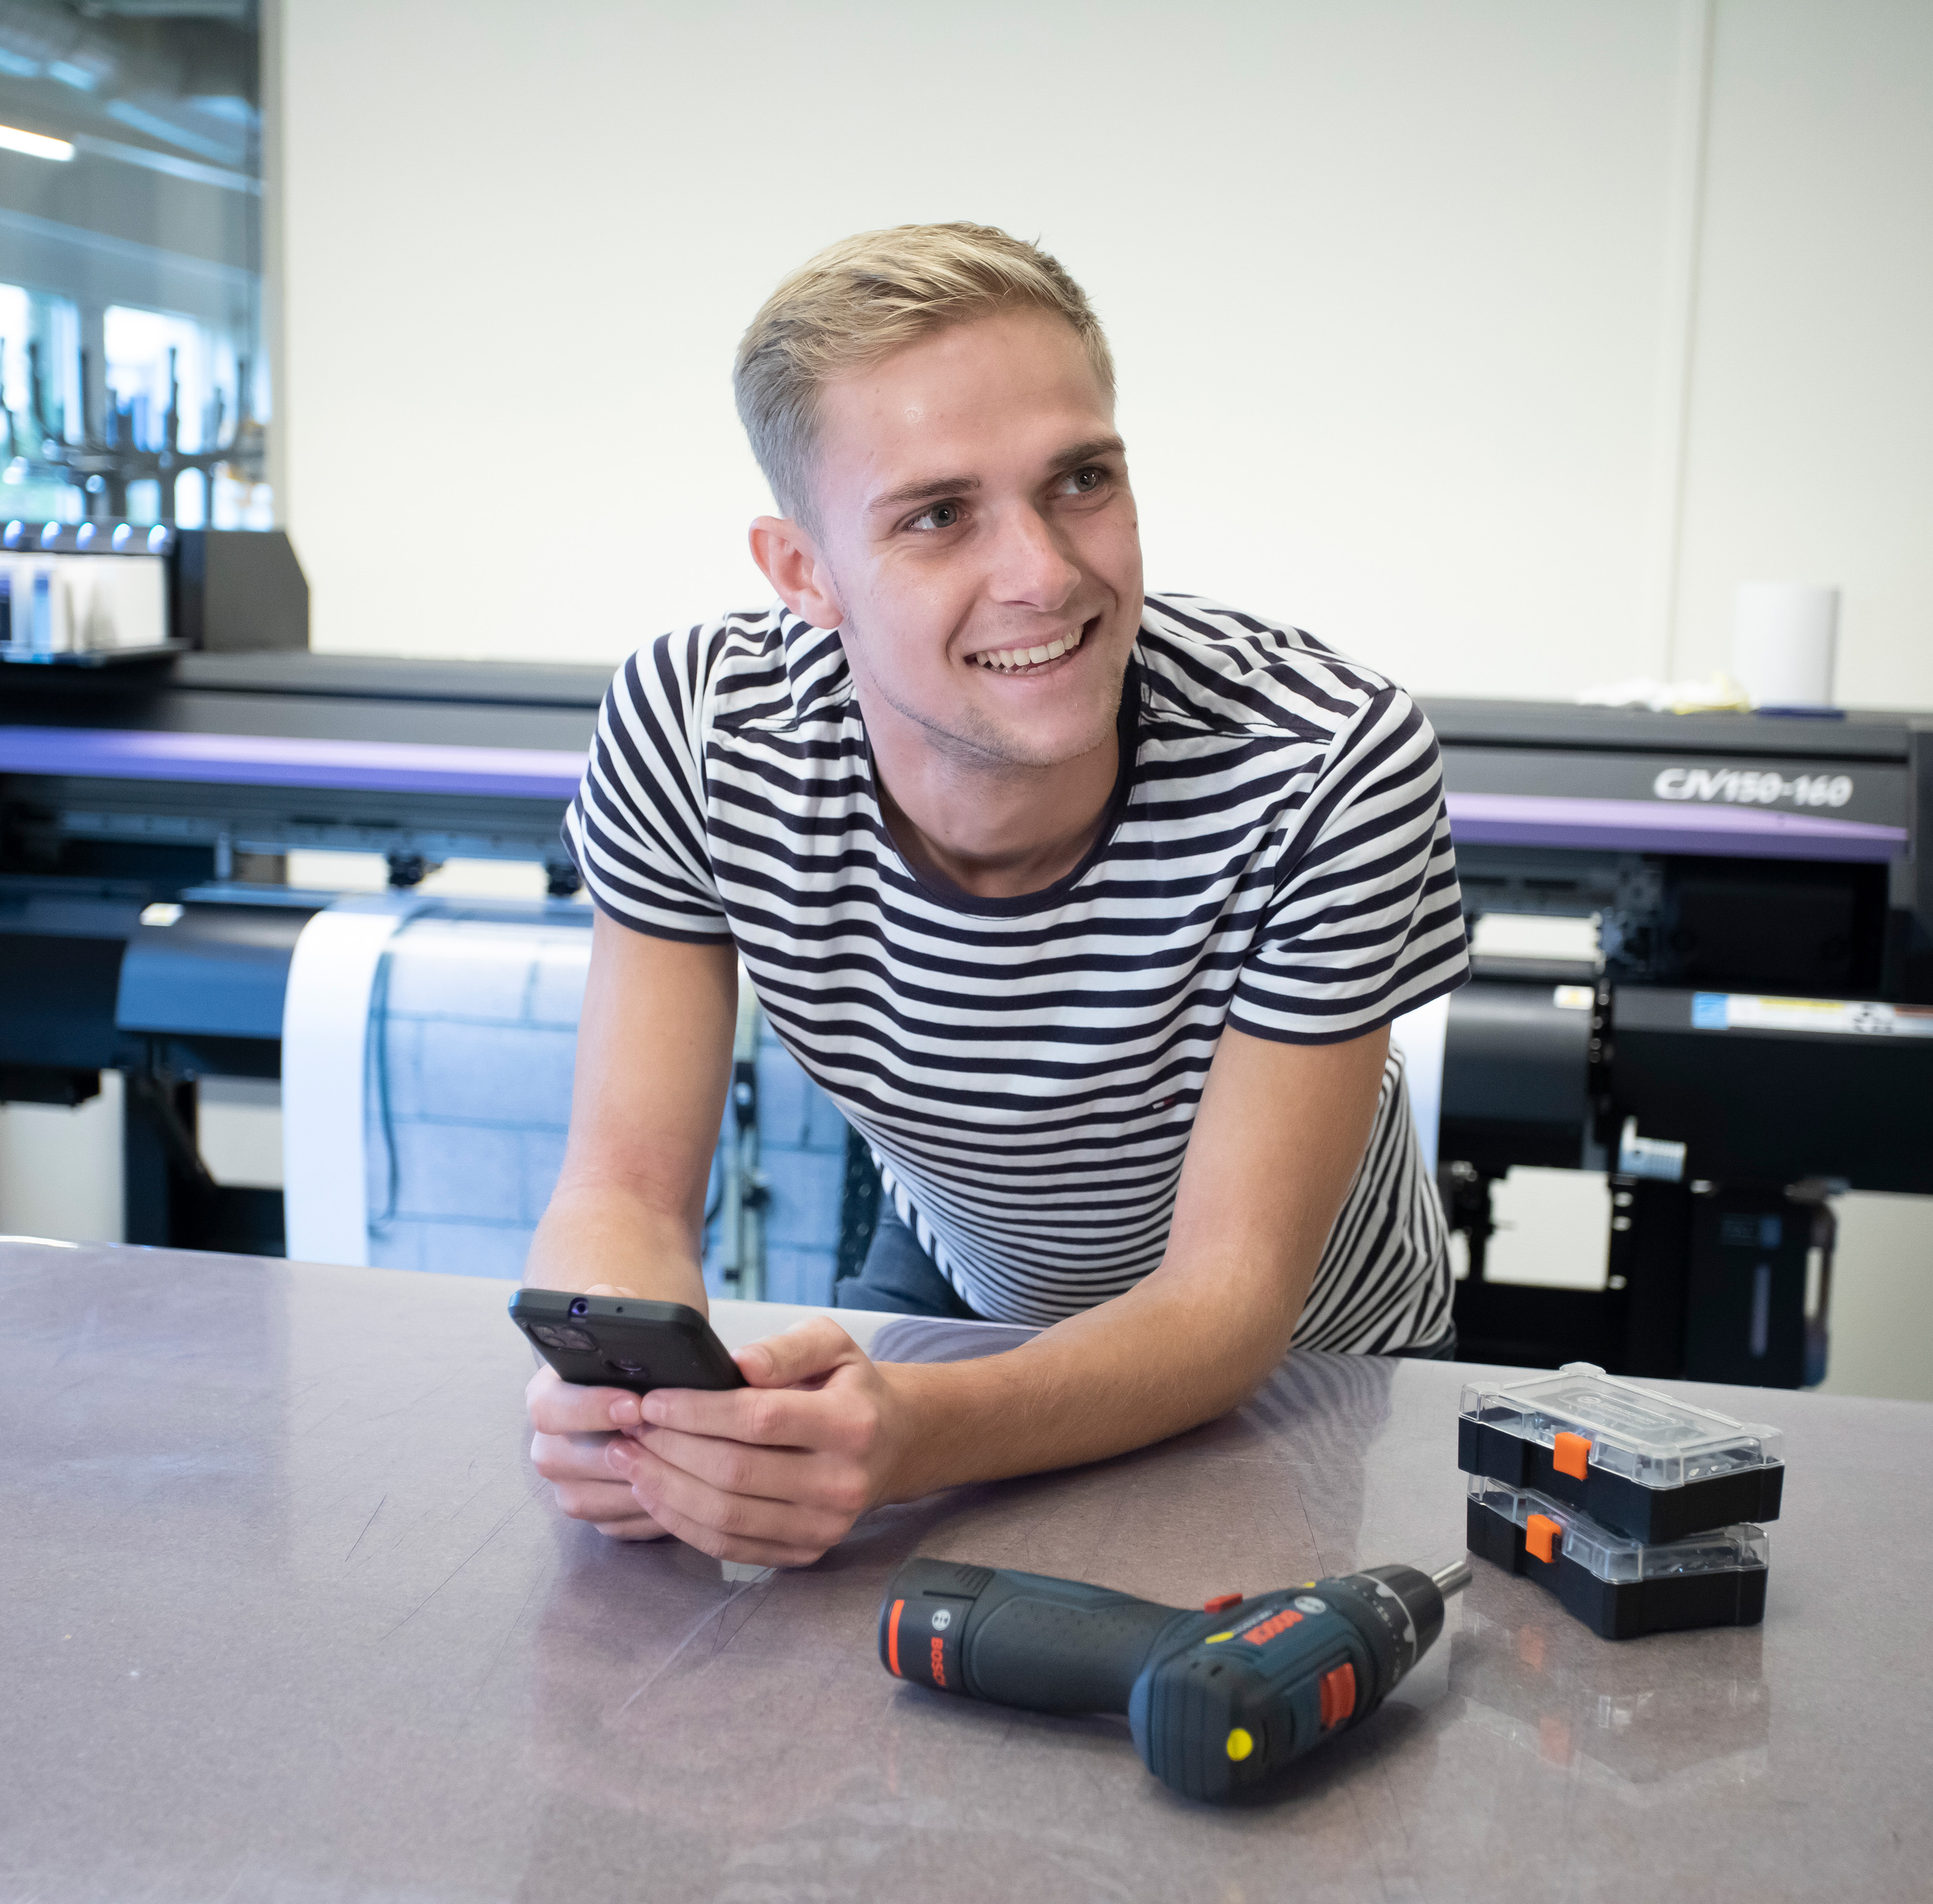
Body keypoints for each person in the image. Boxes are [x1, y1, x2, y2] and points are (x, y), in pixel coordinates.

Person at [524, 223, 1468, 1567]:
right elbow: (619, 1184)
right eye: (935, 513)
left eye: (1079, 479)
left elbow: (1226, 1298)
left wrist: (908, 1434)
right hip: (963, 1289)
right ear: (803, 574)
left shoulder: (1324, 761)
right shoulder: (695, 729)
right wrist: (623, 1398)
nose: (1042, 570)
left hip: (1309, 1354)